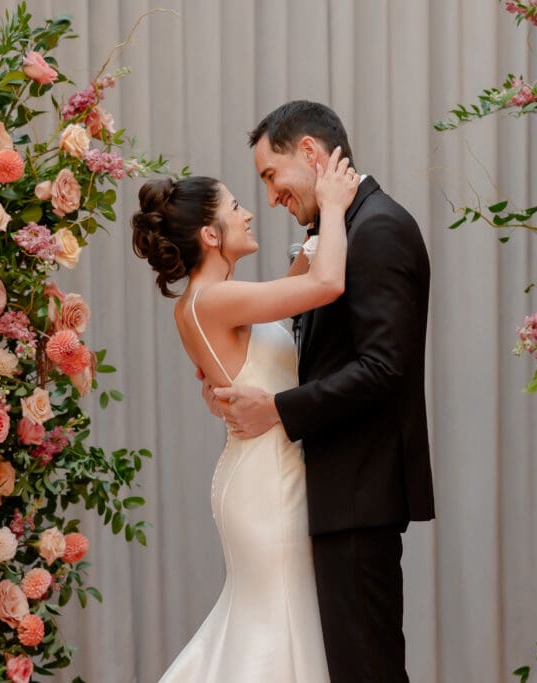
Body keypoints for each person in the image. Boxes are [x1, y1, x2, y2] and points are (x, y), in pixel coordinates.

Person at [213, 100, 435, 682]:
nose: (270, 197)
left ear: (309, 154)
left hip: (360, 489)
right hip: (340, 489)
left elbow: (384, 368)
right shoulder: (342, 229)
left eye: (270, 176)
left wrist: (278, 411)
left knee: (367, 668)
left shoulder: (378, 229)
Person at [132, 148, 359, 682]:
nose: (249, 212)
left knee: (268, 619)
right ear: (210, 234)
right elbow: (324, 287)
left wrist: (311, 241)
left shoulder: (200, 301)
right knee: (276, 625)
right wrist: (329, 207)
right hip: (269, 482)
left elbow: (286, 298)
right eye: (235, 207)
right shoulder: (216, 300)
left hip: (255, 471)